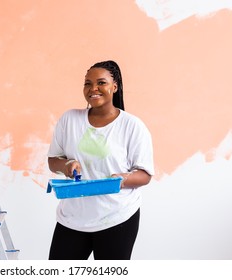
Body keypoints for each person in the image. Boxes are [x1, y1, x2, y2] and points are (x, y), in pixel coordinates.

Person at [47, 60, 155, 260]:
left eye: (101, 83)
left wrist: (120, 179)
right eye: (87, 83)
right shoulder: (69, 119)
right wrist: (67, 165)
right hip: (72, 218)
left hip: (117, 217)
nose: (93, 88)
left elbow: (145, 175)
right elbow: (53, 160)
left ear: (114, 86)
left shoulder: (132, 126)